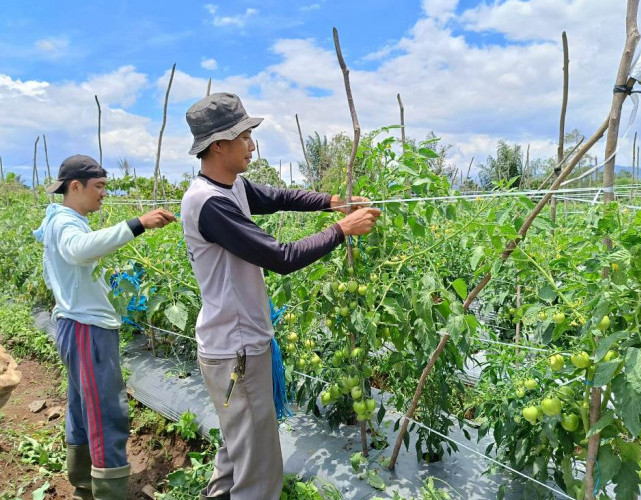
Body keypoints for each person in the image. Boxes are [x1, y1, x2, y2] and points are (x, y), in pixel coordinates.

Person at [181, 93, 381, 500]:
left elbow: (277, 198)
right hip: (237, 352)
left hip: (230, 346)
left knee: (236, 457)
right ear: (219, 145)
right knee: (260, 477)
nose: (252, 145)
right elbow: (280, 257)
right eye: (245, 136)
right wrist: (342, 229)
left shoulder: (229, 186)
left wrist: (331, 203)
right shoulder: (210, 203)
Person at [33, 155, 176, 500]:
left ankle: (84, 478)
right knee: (105, 410)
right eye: (99, 187)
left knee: (83, 406)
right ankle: (108, 491)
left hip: (76, 325)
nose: (104, 194)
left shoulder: (65, 218)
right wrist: (137, 223)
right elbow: (79, 251)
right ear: (75, 186)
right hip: (86, 329)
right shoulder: (66, 224)